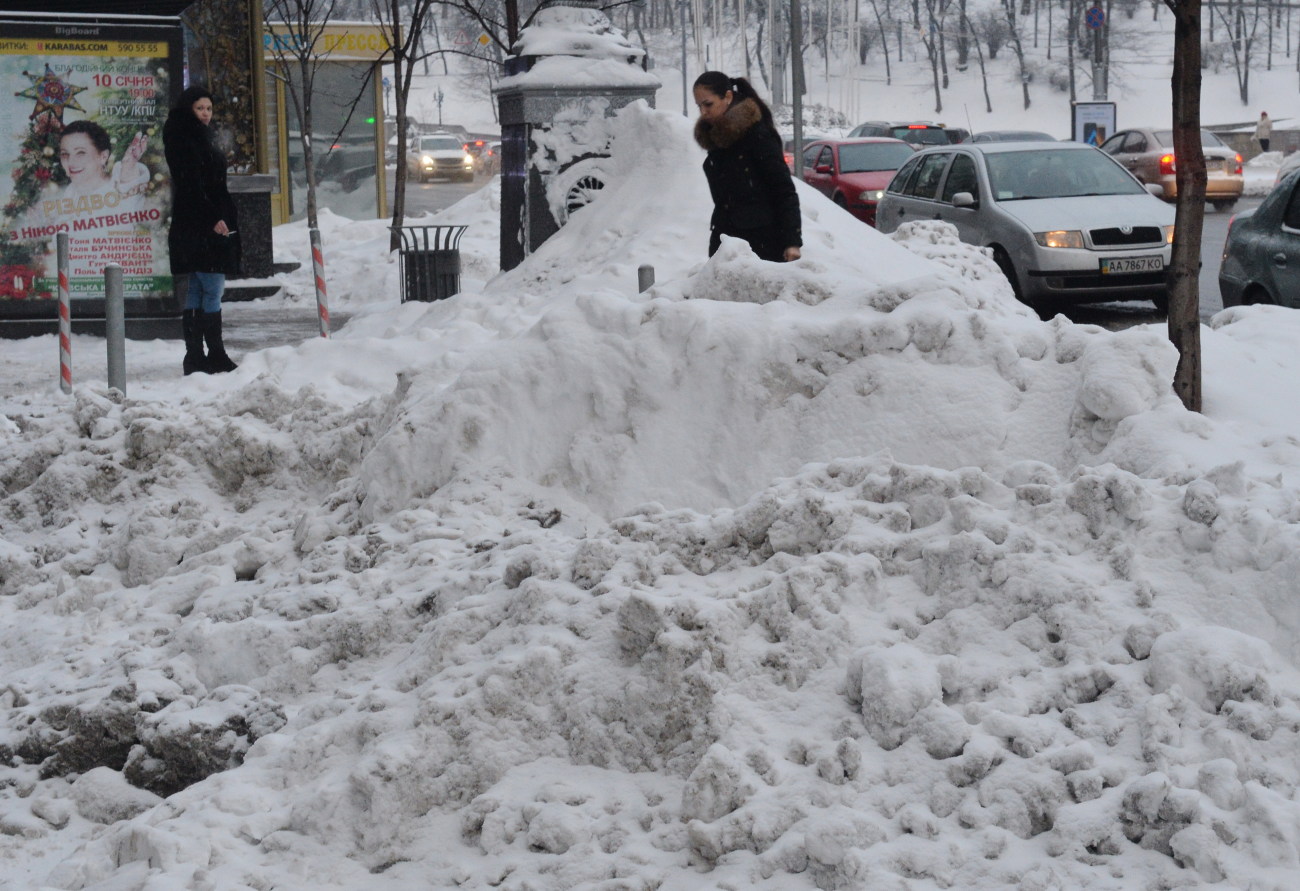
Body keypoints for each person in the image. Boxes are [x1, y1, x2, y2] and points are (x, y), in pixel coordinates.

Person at [163, 85, 240, 375]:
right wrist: (214, 217)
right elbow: (194, 184)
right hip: (203, 223)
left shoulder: (186, 135)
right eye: (200, 109)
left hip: (192, 221)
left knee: (197, 287)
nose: (206, 114)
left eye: (209, 108)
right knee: (213, 288)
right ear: (189, 110)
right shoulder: (188, 138)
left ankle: (195, 356)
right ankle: (215, 354)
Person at [692, 71, 801, 263]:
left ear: (728, 97)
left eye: (708, 104)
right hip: (726, 243)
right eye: (699, 106)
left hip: (762, 246)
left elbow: (783, 190)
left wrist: (792, 242)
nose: (703, 112)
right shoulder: (717, 140)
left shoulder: (757, 137)